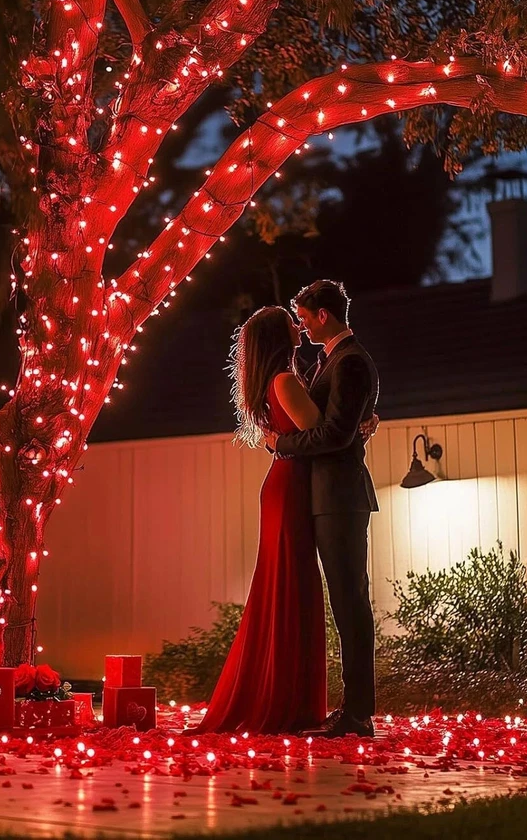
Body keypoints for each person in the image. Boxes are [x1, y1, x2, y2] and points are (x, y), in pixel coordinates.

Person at [192, 305, 374, 735]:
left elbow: (320, 431)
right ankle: (285, 703)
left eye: (301, 317)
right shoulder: (286, 380)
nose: (299, 325)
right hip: (291, 486)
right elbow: (322, 434)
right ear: (279, 335)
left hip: (291, 485)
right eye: (291, 322)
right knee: (291, 588)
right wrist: (353, 430)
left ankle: (287, 699)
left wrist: (353, 424)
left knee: (291, 589)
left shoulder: (286, 378)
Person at [264, 280, 380, 739]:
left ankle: (358, 714)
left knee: (351, 601)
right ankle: (352, 710)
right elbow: (345, 426)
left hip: (340, 498)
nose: (303, 325)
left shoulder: (350, 362)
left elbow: (334, 434)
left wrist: (281, 443)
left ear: (324, 315)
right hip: (326, 495)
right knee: (343, 600)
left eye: (307, 317)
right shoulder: (332, 361)